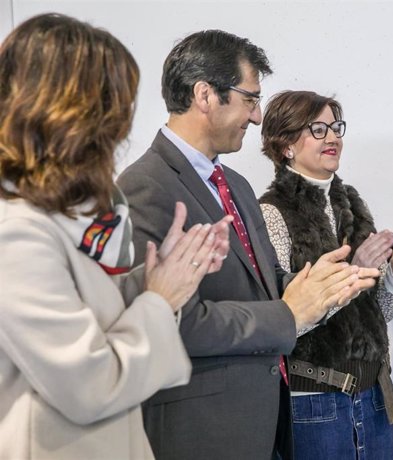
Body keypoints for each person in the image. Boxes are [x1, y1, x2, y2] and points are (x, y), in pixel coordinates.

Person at [117, 31, 379, 460]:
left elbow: (260, 283)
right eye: (250, 99)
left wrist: (317, 285)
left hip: (262, 422)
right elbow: (169, 319)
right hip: (202, 431)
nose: (257, 117)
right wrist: (288, 314)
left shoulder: (234, 185)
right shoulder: (145, 187)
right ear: (205, 95)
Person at [0, 13, 232, 460]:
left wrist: (158, 276)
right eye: (110, 104)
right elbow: (90, 383)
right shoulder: (15, 233)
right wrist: (160, 300)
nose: (119, 126)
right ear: (64, 111)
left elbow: (86, 310)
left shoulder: (48, 212)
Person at [258, 90, 393, 459]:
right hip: (312, 403)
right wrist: (353, 273)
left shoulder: (352, 203)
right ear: (286, 145)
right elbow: (282, 321)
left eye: (336, 127)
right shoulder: (271, 214)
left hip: (372, 394)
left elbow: (377, 314)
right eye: (318, 128)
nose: (333, 137)